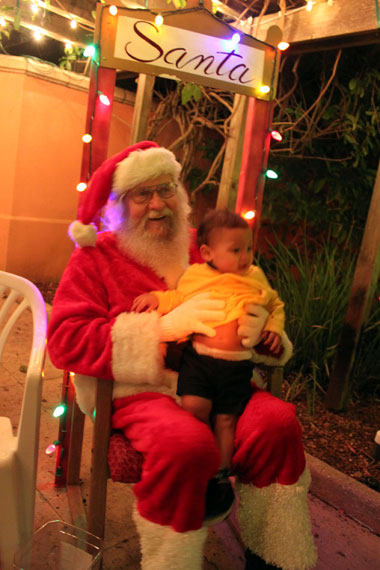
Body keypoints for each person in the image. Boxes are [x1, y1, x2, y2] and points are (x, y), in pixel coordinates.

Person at [47, 141, 317, 570]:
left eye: (166, 189)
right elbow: (65, 339)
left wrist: (261, 329)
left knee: (278, 424)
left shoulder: (206, 246)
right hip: (140, 391)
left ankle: (275, 557)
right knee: (185, 443)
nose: (158, 205)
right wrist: (163, 330)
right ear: (119, 204)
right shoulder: (95, 256)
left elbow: (259, 297)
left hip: (221, 375)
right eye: (142, 194)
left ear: (181, 194)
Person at [131, 208, 286, 492]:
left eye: (249, 248)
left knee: (226, 419)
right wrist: (156, 297)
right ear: (207, 252)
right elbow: (179, 298)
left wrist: (274, 327)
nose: (245, 256)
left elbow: (274, 305)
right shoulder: (196, 277)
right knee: (194, 408)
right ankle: (197, 459)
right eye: (236, 249)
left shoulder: (255, 278)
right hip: (199, 360)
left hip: (236, 365)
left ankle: (220, 474)